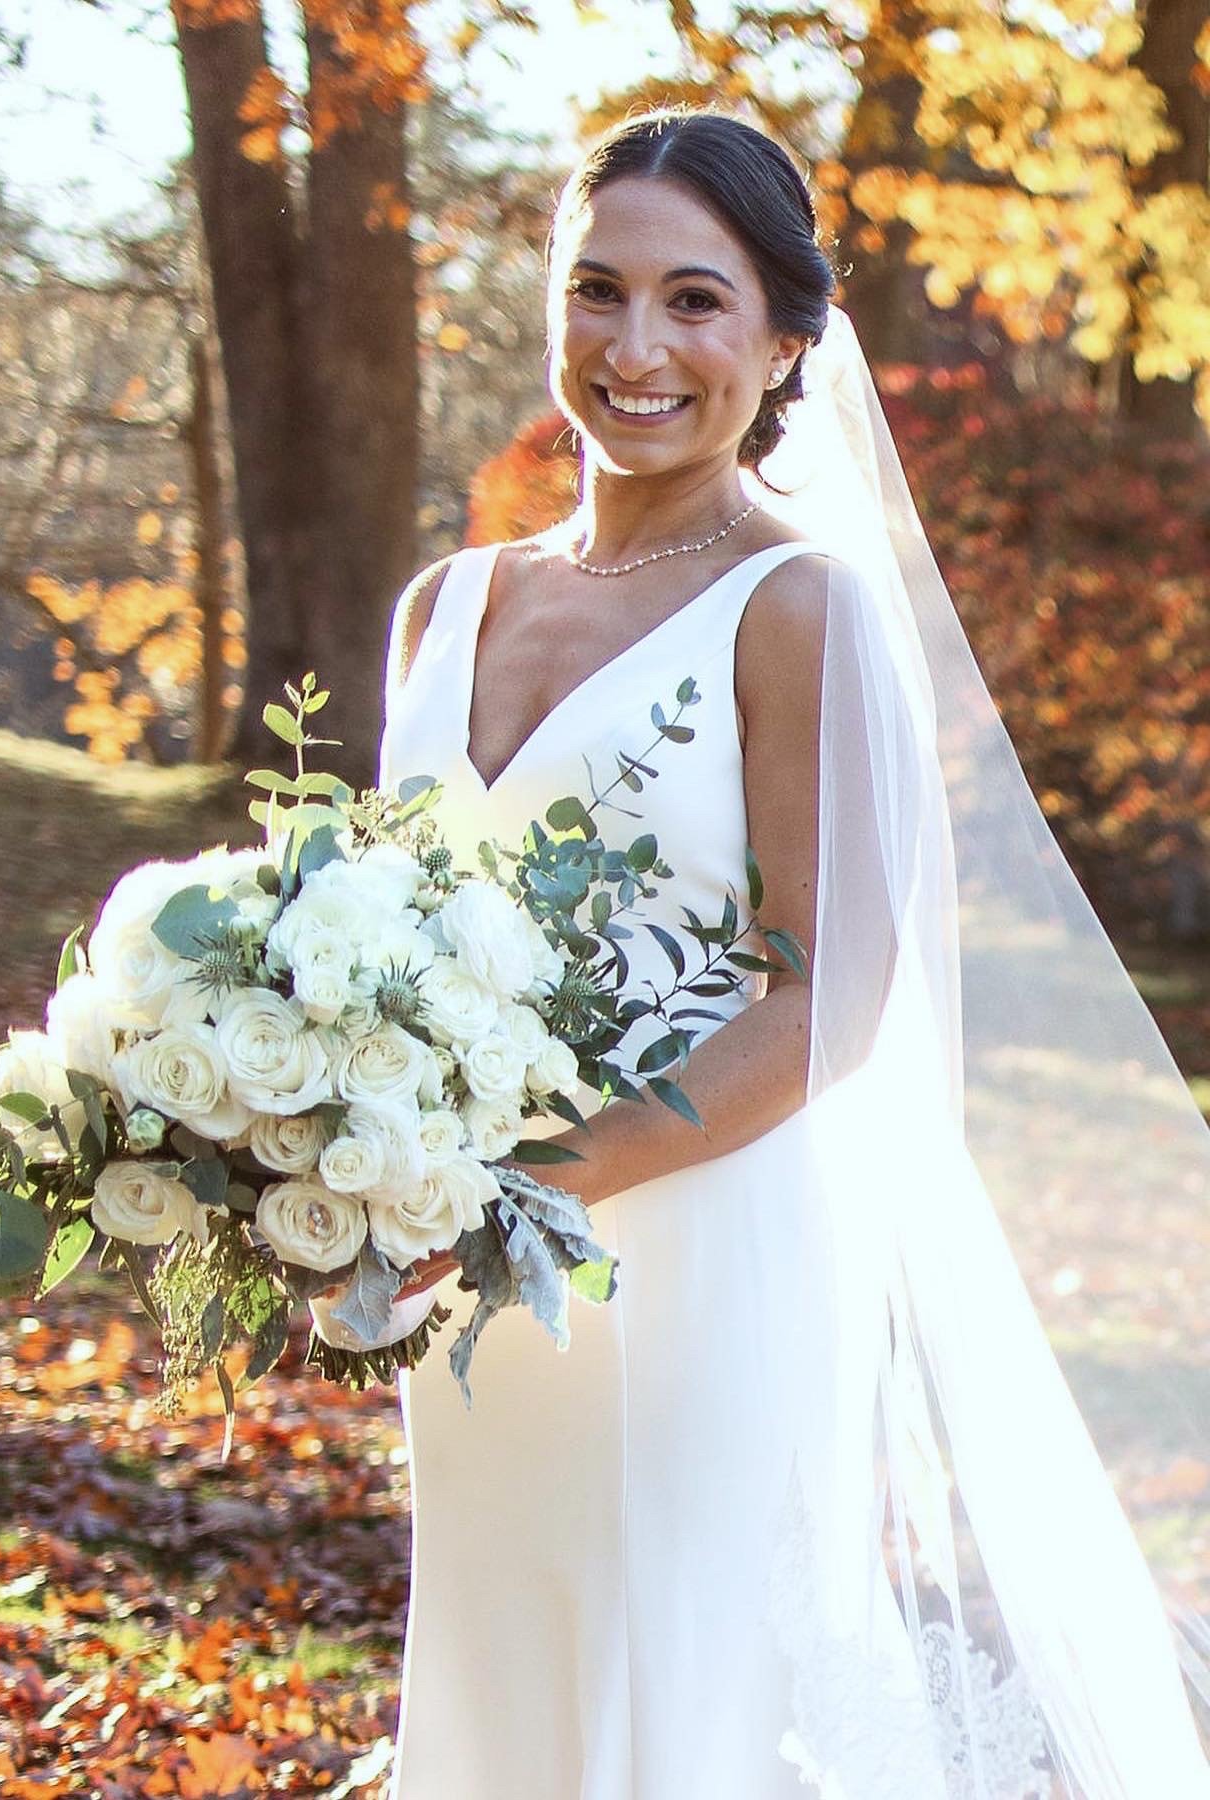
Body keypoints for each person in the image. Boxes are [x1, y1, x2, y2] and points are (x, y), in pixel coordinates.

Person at [370, 109, 1210, 1797]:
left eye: (695, 302)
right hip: (470, 1296)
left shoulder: (793, 607)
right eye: (597, 291)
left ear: (781, 344)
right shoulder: (443, 607)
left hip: (692, 1258)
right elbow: (367, 938)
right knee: (506, 1660)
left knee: (681, 1695)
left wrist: (526, 1186)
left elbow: (832, 1000)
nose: (636, 347)